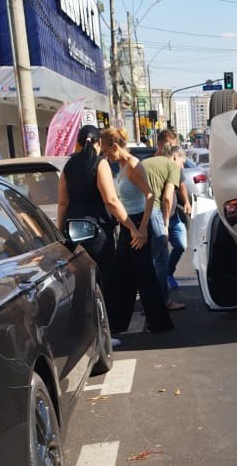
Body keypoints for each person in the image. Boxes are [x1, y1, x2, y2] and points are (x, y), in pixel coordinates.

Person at [57, 125, 144, 344]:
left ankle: (83, 334)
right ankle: (105, 335)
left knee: (80, 284)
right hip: (96, 232)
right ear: (97, 143)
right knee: (104, 281)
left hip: (73, 230)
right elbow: (111, 200)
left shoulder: (68, 166)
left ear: (78, 142)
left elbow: (63, 202)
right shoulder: (100, 163)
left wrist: (61, 231)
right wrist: (131, 226)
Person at [100, 127, 173, 333]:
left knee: (143, 274)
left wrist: (141, 229)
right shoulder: (122, 165)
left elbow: (150, 196)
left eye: (107, 151)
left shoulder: (133, 165)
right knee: (124, 273)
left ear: (115, 147)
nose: (106, 156)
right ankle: (119, 322)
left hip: (138, 222)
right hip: (128, 225)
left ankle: (158, 323)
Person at [140, 144, 186, 310]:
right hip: (155, 211)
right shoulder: (172, 166)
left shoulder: (147, 162)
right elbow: (167, 198)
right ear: (175, 157)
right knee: (161, 257)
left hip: (138, 211)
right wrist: (165, 224)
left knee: (149, 257)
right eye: (183, 162)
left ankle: (150, 298)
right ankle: (163, 300)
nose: (182, 167)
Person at [155, 130, 190, 290]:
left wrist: (187, 202)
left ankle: (168, 272)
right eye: (170, 144)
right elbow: (165, 196)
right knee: (160, 254)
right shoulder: (152, 163)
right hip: (158, 216)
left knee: (181, 244)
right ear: (161, 144)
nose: (173, 147)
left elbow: (181, 185)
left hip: (174, 215)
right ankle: (159, 287)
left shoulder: (175, 164)